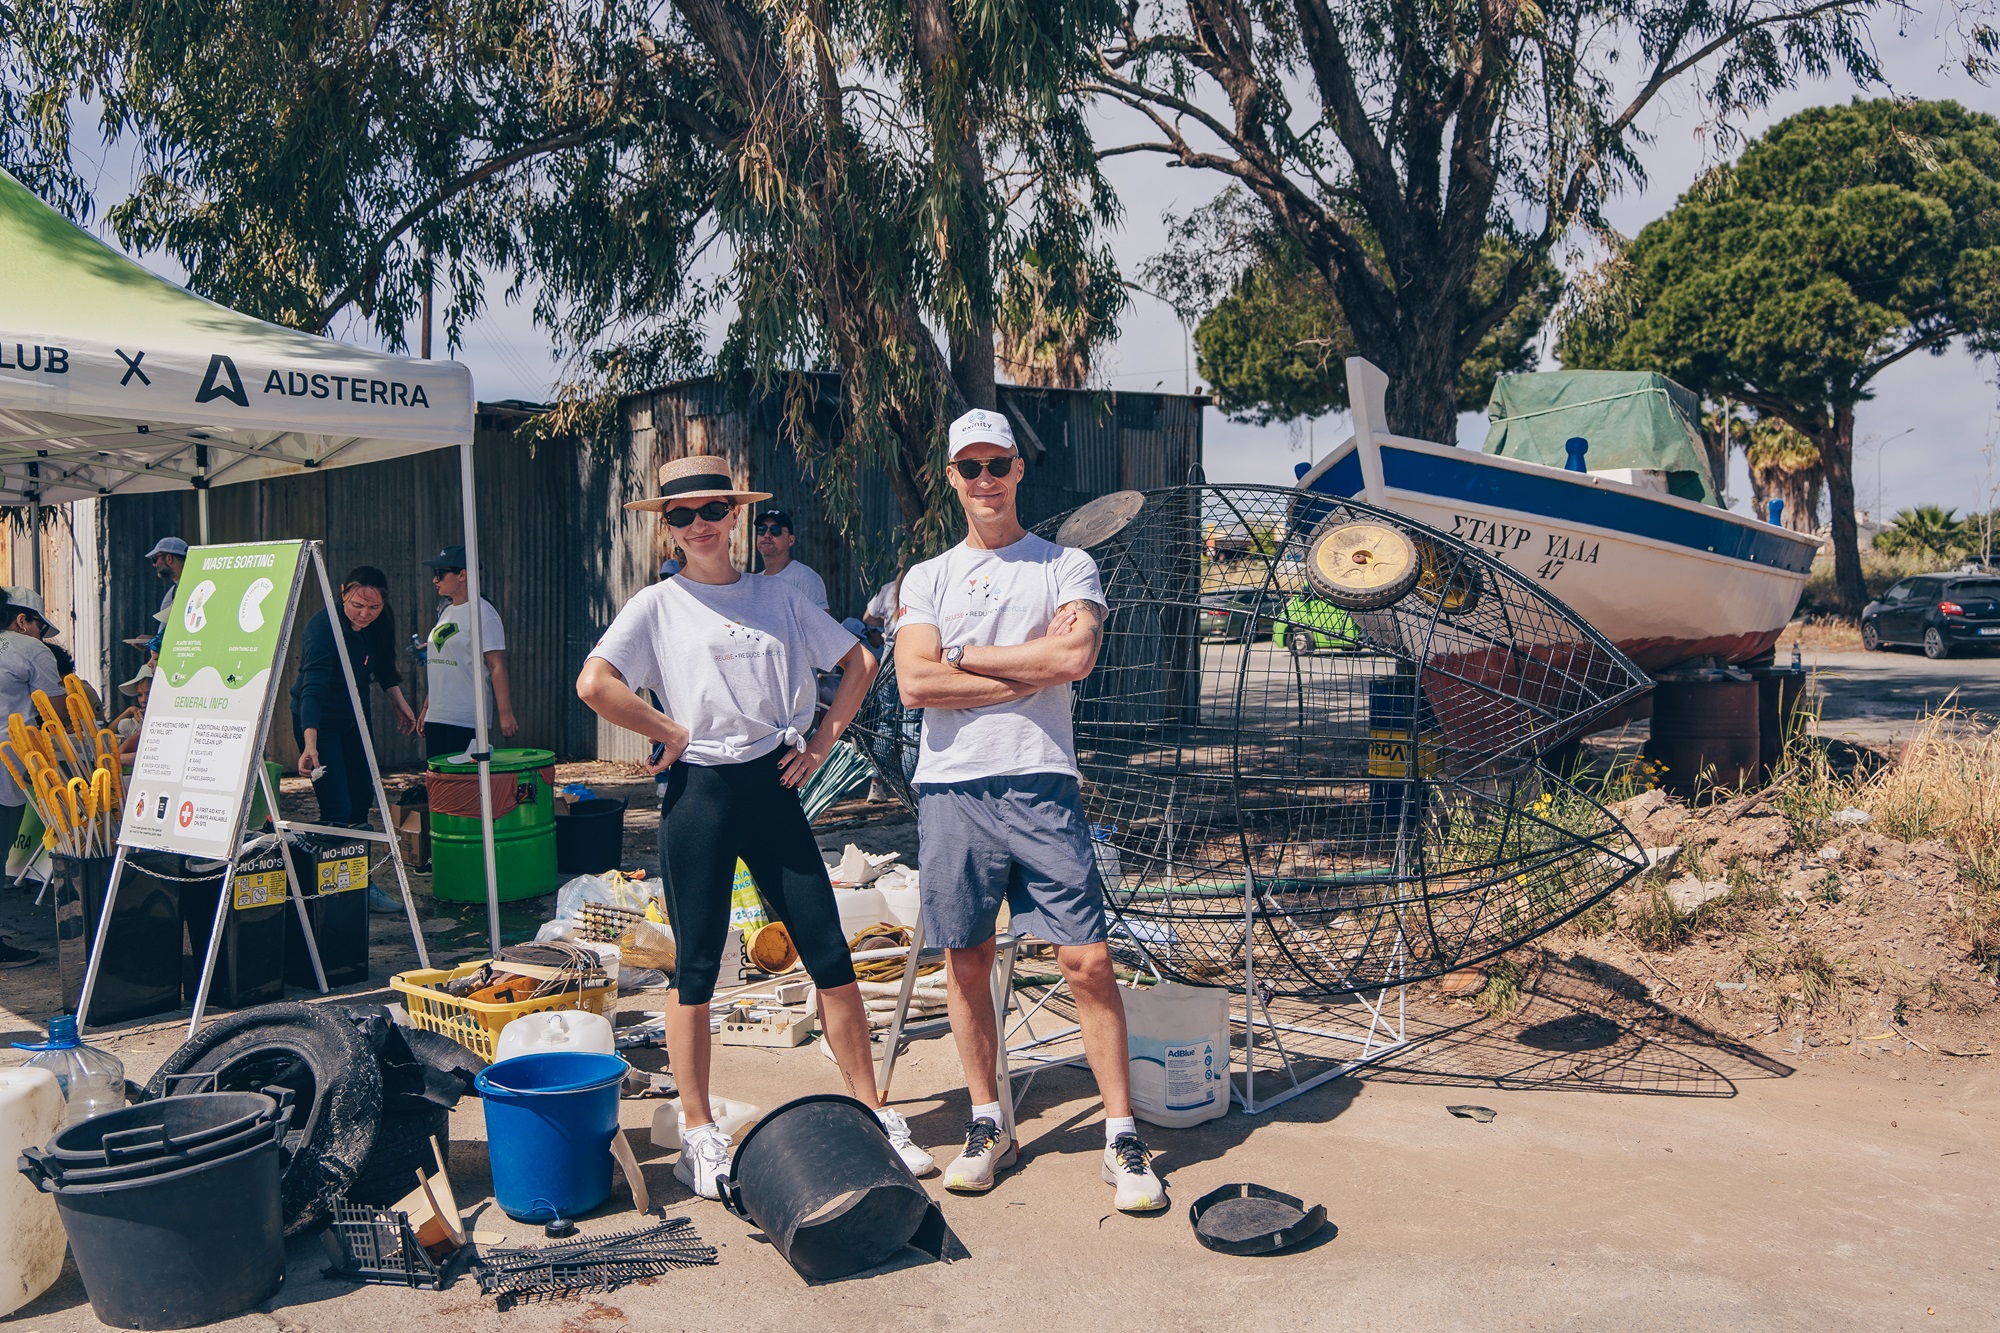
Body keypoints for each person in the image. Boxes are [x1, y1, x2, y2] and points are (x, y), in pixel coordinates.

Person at [577, 455, 933, 1199]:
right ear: (667, 527)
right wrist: (667, 730)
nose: (699, 525)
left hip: (773, 784)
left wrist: (824, 739)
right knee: (697, 968)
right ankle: (700, 1131)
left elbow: (860, 661)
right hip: (700, 793)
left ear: (735, 514)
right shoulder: (658, 604)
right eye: (682, 515)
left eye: (713, 510)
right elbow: (595, 683)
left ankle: (874, 1110)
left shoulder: (778, 596)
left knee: (829, 954)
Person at [894, 406, 1166, 1212]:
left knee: (1087, 961)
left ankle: (1121, 1134)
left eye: (997, 464)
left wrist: (966, 657)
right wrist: (1025, 671)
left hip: (1041, 782)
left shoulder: (1065, 564)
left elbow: (1074, 655)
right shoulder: (927, 577)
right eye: (969, 466)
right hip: (953, 788)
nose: (985, 480)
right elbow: (914, 681)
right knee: (966, 960)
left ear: (1018, 470)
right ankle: (989, 1122)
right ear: (951, 477)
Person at [290, 567, 418, 911]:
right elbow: (312, 685)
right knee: (338, 808)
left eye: (373, 607)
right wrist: (310, 743)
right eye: (357, 605)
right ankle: (332, 891)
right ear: (343, 591)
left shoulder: (379, 620)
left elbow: (383, 665)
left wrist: (400, 704)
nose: (365, 614)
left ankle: (361, 884)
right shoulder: (323, 627)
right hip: (318, 720)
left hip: (355, 718)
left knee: (362, 799)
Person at [0, 591, 61, 967]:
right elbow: (58, 712)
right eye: (40, 625)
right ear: (22, 620)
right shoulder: (29, 649)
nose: (42, 634)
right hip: (5, 768)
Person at [416, 545, 517, 760]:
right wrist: (427, 707)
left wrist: (505, 713)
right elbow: (443, 663)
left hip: (465, 718)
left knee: (462, 779)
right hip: (437, 716)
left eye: (440, 574)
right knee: (438, 777)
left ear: (462, 575)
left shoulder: (484, 613)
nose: (434, 580)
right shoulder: (447, 611)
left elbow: (496, 665)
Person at [753, 509, 829, 611]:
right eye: (761, 529)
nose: (766, 535)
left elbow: (821, 621)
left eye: (775, 530)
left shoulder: (806, 579)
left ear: (790, 540)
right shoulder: (754, 582)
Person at [143, 537, 187, 664]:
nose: (154, 564)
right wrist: (152, 640)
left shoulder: (189, 589)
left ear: (169, 558)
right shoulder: (173, 592)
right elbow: (172, 630)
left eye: (155, 559)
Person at [115, 664, 152, 761]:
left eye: (148, 694)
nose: (143, 699)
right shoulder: (137, 721)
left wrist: (116, 758)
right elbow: (108, 732)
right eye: (140, 695)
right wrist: (129, 711)